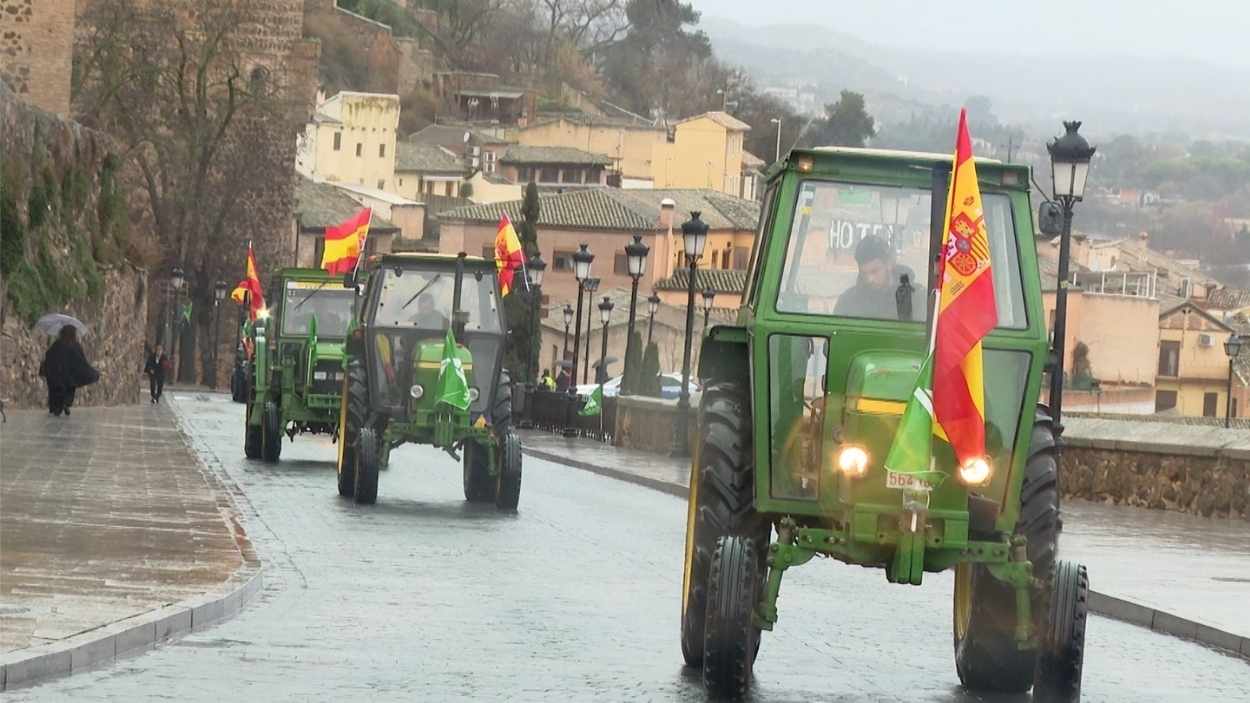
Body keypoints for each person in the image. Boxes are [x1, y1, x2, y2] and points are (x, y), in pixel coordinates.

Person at [834, 235, 918, 320]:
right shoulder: (847, 302)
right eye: (863, 273)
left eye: (874, 271)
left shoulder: (916, 297)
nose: (869, 279)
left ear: (889, 264)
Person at [38, 326, 99, 416]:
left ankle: (55, 407)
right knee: (69, 388)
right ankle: (65, 404)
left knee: (54, 391)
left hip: (56, 375)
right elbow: (81, 362)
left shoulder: (57, 344)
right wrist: (93, 373)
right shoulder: (75, 345)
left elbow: (49, 356)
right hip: (69, 376)